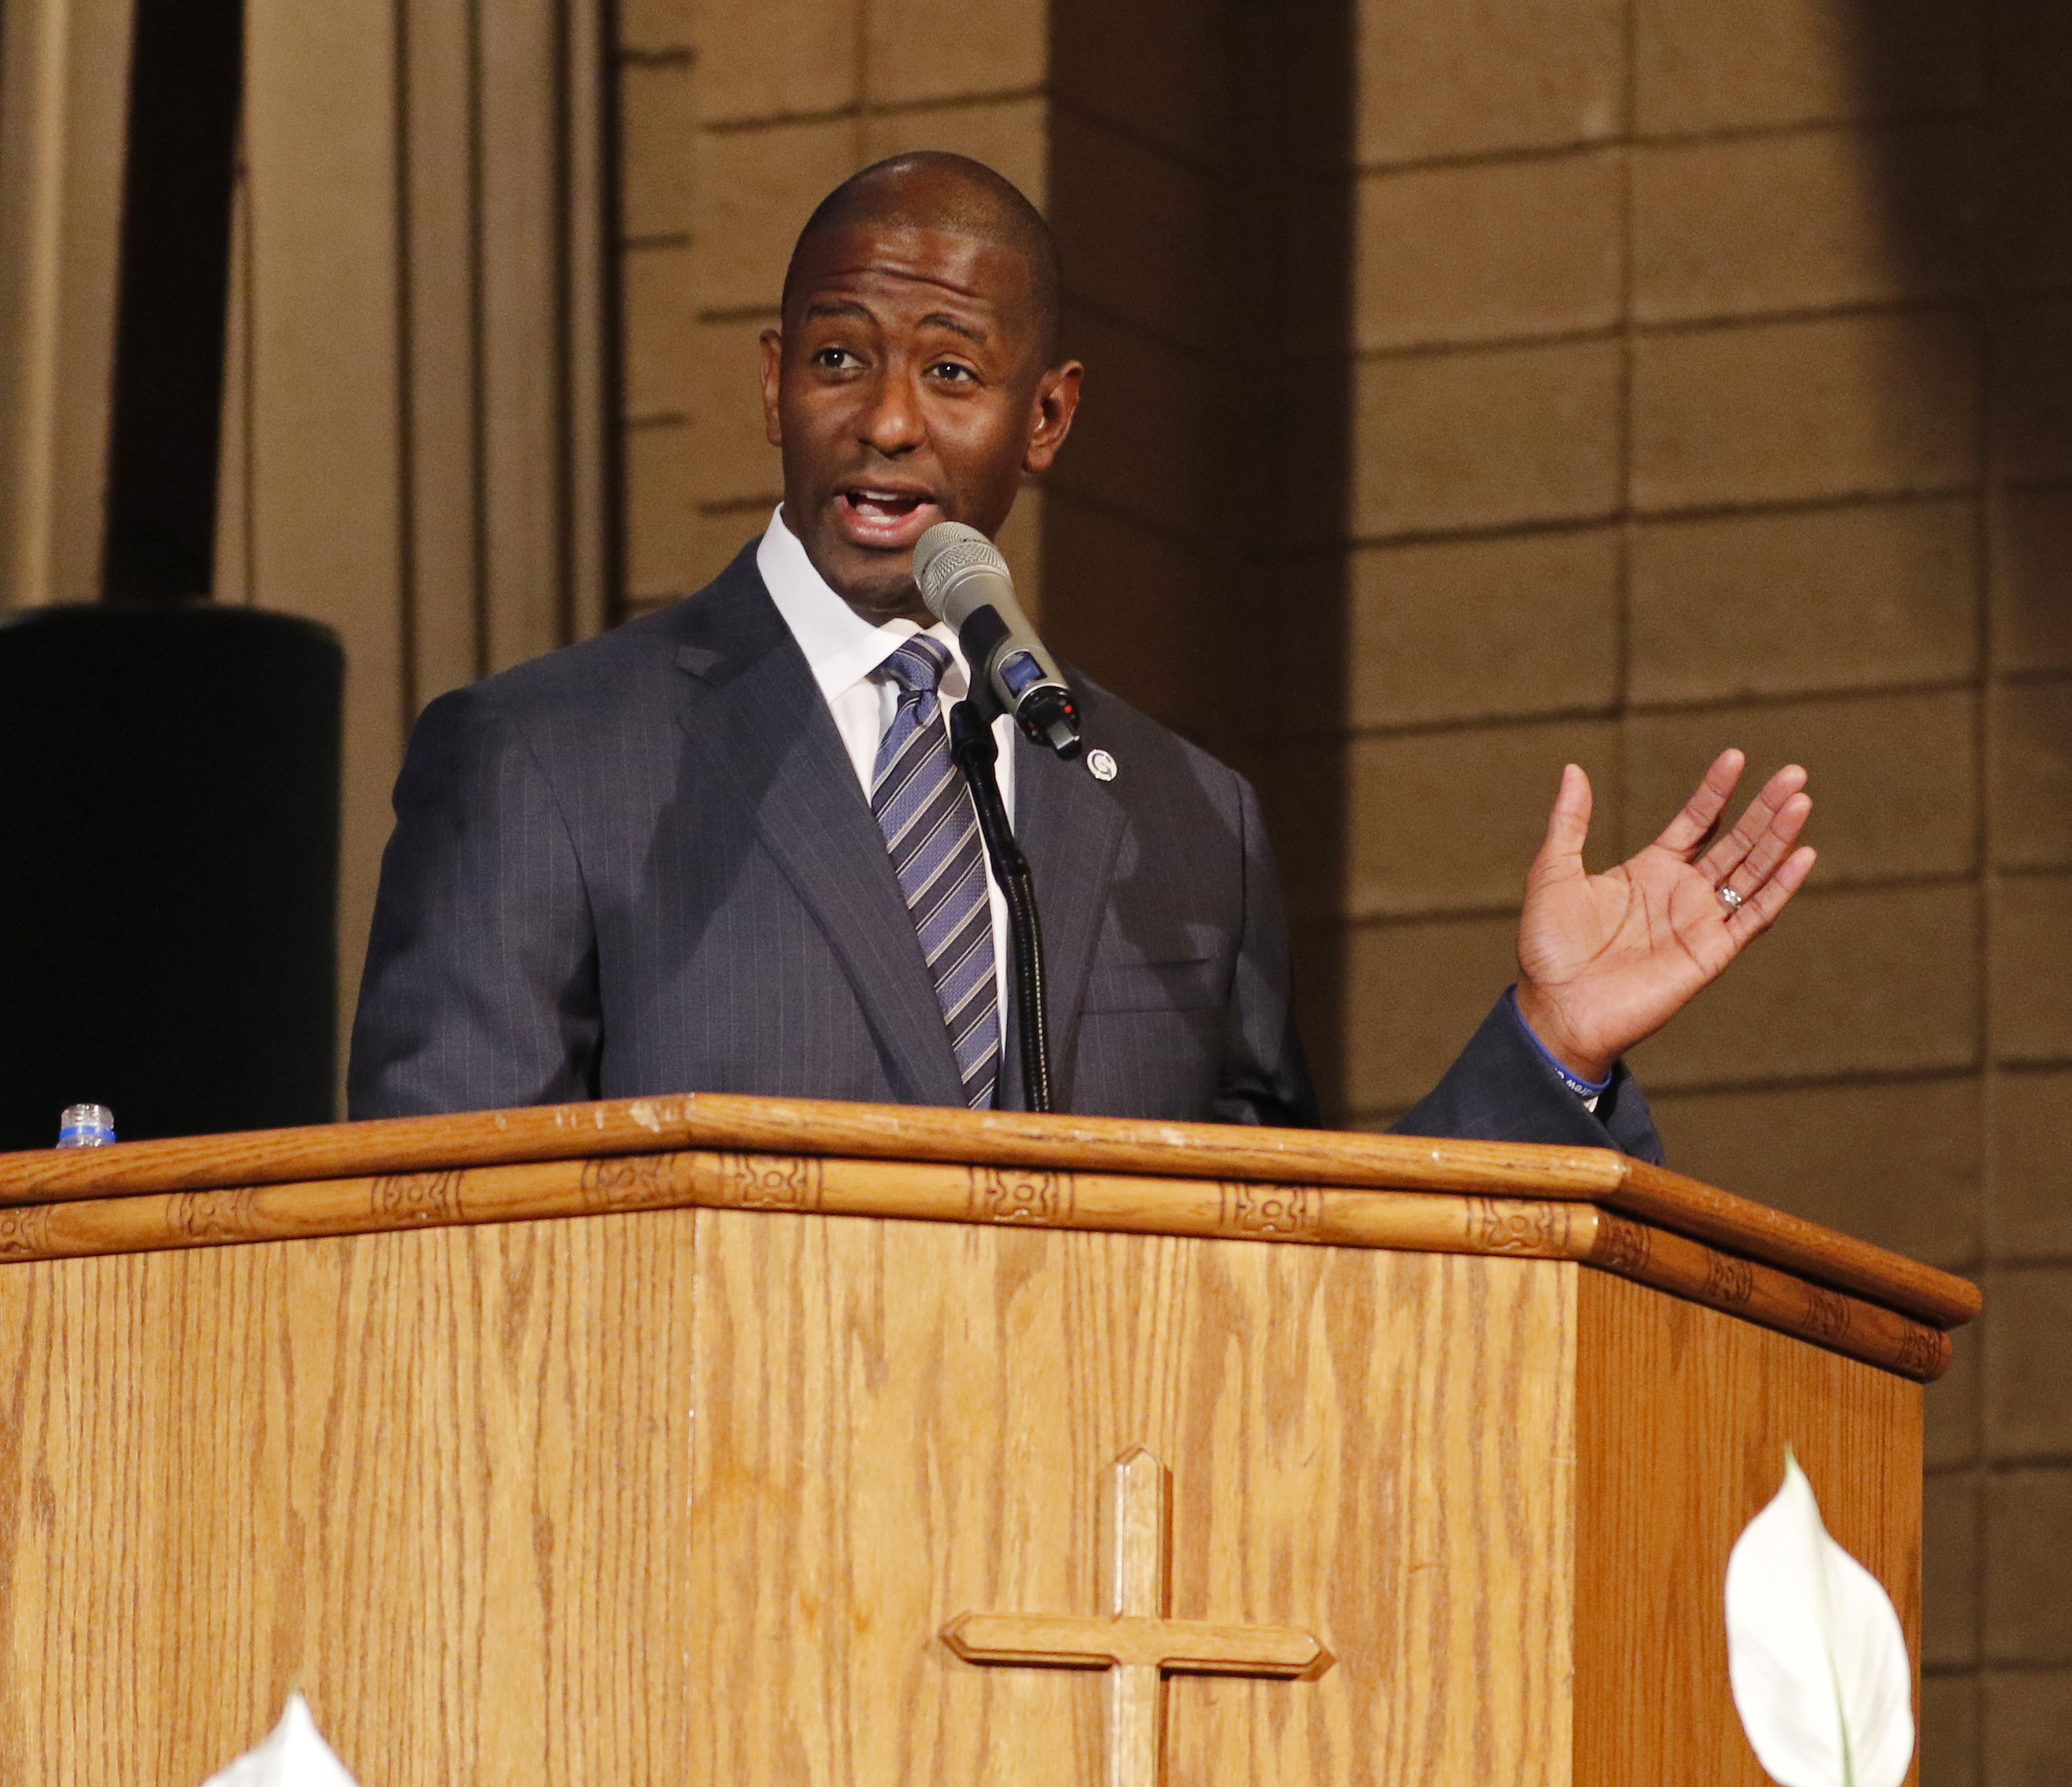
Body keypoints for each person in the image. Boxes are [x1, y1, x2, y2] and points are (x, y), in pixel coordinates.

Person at [349, 153, 1816, 1157]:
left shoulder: (1180, 816)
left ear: (1044, 420)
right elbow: (443, 1245)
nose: (885, 422)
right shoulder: (549, 760)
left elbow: (1281, 1270)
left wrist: (1547, 1050)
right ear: (771, 380)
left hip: (1083, 1583)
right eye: (838, 357)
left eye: (949, 372)